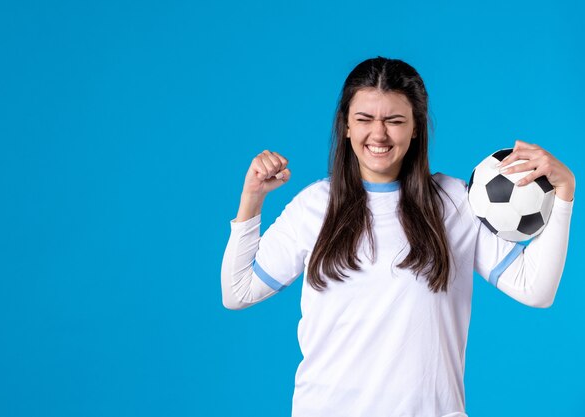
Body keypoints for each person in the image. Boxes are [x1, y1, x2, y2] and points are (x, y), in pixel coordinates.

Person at [220, 56, 575, 417]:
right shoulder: (314, 206)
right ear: (345, 126)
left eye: (394, 121)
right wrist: (252, 198)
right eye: (364, 119)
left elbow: (536, 289)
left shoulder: (456, 202)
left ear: (416, 127)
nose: (378, 134)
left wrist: (564, 193)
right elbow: (239, 291)